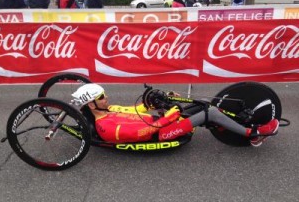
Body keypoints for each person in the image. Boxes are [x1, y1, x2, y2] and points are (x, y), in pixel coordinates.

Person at [72, 84, 280, 147]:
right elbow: (144, 132)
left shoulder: (111, 109)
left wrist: (156, 101)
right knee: (210, 112)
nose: (107, 98)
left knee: (201, 104)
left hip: (162, 122)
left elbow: (137, 110)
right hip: (161, 133)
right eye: (101, 97)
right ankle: (253, 133)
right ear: (91, 104)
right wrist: (172, 115)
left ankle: (227, 124)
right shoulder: (105, 127)